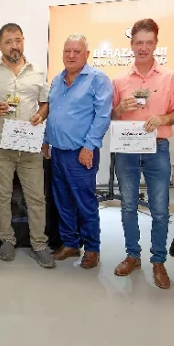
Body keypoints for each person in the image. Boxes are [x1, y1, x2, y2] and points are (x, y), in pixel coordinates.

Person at [0, 23, 54, 268]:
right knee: (1, 196)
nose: (14, 45)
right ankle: (7, 240)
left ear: (23, 41)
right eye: (8, 42)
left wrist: (41, 115)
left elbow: (45, 103)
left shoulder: (37, 72)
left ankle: (39, 244)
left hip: (29, 145)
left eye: (18, 40)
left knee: (36, 197)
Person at [111, 19, 174, 288]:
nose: (143, 47)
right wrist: (119, 109)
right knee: (128, 206)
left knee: (160, 210)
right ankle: (132, 255)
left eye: (149, 42)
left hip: (157, 149)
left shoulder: (169, 77)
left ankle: (158, 261)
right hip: (127, 151)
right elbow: (110, 115)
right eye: (139, 42)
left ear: (156, 44)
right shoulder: (119, 81)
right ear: (131, 44)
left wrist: (162, 118)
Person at [42, 34, 112, 269]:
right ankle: (70, 243)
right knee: (63, 201)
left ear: (87, 54)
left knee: (85, 203)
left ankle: (92, 249)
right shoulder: (57, 80)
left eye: (76, 51)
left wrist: (89, 146)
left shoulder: (97, 80)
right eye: (67, 51)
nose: (71, 56)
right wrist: (46, 140)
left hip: (81, 154)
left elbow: (103, 116)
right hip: (58, 152)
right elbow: (52, 113)